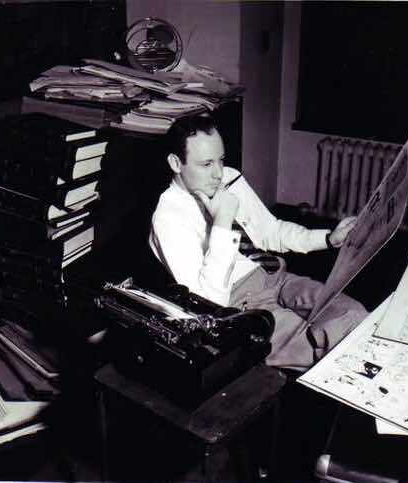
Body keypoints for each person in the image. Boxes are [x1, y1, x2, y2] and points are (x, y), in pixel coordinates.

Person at [149, 115, 368, 371]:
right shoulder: (167, 218)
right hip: (237, 305)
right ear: (176, 163)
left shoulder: (228, 177)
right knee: (324, 349)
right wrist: (222, 221)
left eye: (221, 160)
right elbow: (208, 300)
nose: (218, 174)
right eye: (206, 164)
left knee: (354, 316)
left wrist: (329, 238)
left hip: (274, 275)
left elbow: (270, 231)